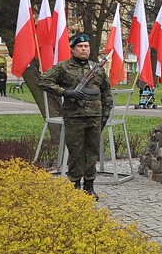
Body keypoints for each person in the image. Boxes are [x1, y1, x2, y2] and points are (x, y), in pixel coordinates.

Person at [38, 33, 113, 198]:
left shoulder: (98, 69)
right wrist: (65, 92)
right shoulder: (63, 67)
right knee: (75, 152)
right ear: (73, 49)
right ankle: (74, 186)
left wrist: (105, 115)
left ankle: (89, 186)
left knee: (92, 152)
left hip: (94, 117)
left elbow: (106, 93)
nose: (84, 49)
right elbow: (44, 81)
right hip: (74, 117)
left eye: (86, 46)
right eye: (80, 46)